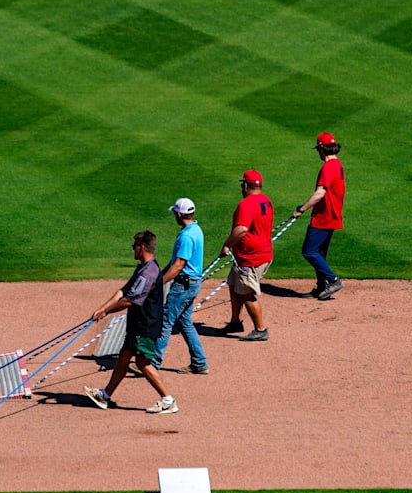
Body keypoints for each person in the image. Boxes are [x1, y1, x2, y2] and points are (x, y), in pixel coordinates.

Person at [83, 230, 178, 414]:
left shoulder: (148, 273)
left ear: (141, 247)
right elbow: (122, 291)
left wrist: (107, 311)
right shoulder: (143, 268)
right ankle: (105, 396)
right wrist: (102, 308)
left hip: (145, 326)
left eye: (134, 246)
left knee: (143, 363)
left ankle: (168, 400)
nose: (132, 249)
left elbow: (130, 301)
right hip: (137, 325)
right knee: (124, 357)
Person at [153, 198, 208, 374]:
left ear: (178, 214)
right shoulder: (196, 230)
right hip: (192, 284)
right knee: (184, 322)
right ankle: (199, 363)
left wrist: (158, 284)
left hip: (183, 286)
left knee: (166, 321)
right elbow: (174, 263)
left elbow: (178, 265)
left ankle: (153, 362)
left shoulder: (186, 236)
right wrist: (160, 276)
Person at [220, 169, 274, 342]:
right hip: (251, 254)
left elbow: (242, 229)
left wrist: (227, 244)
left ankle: (261, 329)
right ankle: (235, 322)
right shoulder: (266, 201)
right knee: (233, 283)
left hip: (252, 258)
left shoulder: (247, 204)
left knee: (245, 293)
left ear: (245, 185)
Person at [291, 132, 346, 300]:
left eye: (318, 150)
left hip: (324, 216)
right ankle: (322, 287)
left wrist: (301, 209)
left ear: (322, 149)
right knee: (319, 253)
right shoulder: (338, 165)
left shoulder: (328, 167)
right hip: (332, 214)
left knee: (309, 251)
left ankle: (333, 280)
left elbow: (320, 193)